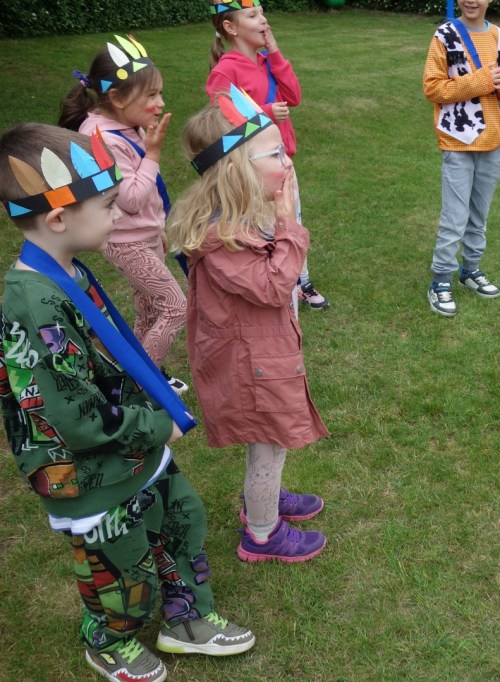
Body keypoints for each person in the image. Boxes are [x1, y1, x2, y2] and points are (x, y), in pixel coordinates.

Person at [0, 123, 254, 682]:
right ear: (58, 219)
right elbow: (73, 417)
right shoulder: (33, 304)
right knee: (120, 569)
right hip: (90, 470)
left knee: (181, 519)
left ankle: (185, 619)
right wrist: (156, 425)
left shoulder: (69, 268)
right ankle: (109, 639)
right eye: (109, 205)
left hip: (133, 451)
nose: (119, 215)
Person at [166, 86, 329, 563]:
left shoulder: (239, 218)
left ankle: (266, 497)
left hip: (263, 355)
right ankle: (262, 533)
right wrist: (289, 224)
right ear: (237, 170)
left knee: (271, 439)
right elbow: (275, 286)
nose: (287, 161)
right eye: (275, 154)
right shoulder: (222, 237)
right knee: (269, 443)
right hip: (250, 366)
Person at [58, 35, 189, 393]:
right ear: (116, 98)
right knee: (175, 306)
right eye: (152, 95)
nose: (161, 103)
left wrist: (157, 229)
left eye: (160, 93)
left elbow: (145, 193)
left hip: (144, 236)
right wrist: (153, 154)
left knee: (149, 310)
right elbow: (130, 198)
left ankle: (143, 371)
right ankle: (140, 385)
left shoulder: (124, 124)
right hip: (125, 242)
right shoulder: (103, 138)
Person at [206, 0, 329, 310]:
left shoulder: (266, 61)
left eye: (262, 13)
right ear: (231, 28)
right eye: (252, 15)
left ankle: (301, 281)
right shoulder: (225, 70)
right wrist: (265, 113)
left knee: (293, 221)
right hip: (255, 170)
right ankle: (278, 285)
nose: (263, 20)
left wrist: (274, 51)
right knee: (268, 226)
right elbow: (219, 119)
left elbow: (295, 96)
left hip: (283, 161)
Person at [424, 0, 500, 317]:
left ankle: (470, 270)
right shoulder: (445, 35)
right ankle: (440, 280)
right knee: (454, 217)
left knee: (479, 214)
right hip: (458, 141)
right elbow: (433, 88)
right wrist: (482, 81)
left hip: (493, 139)